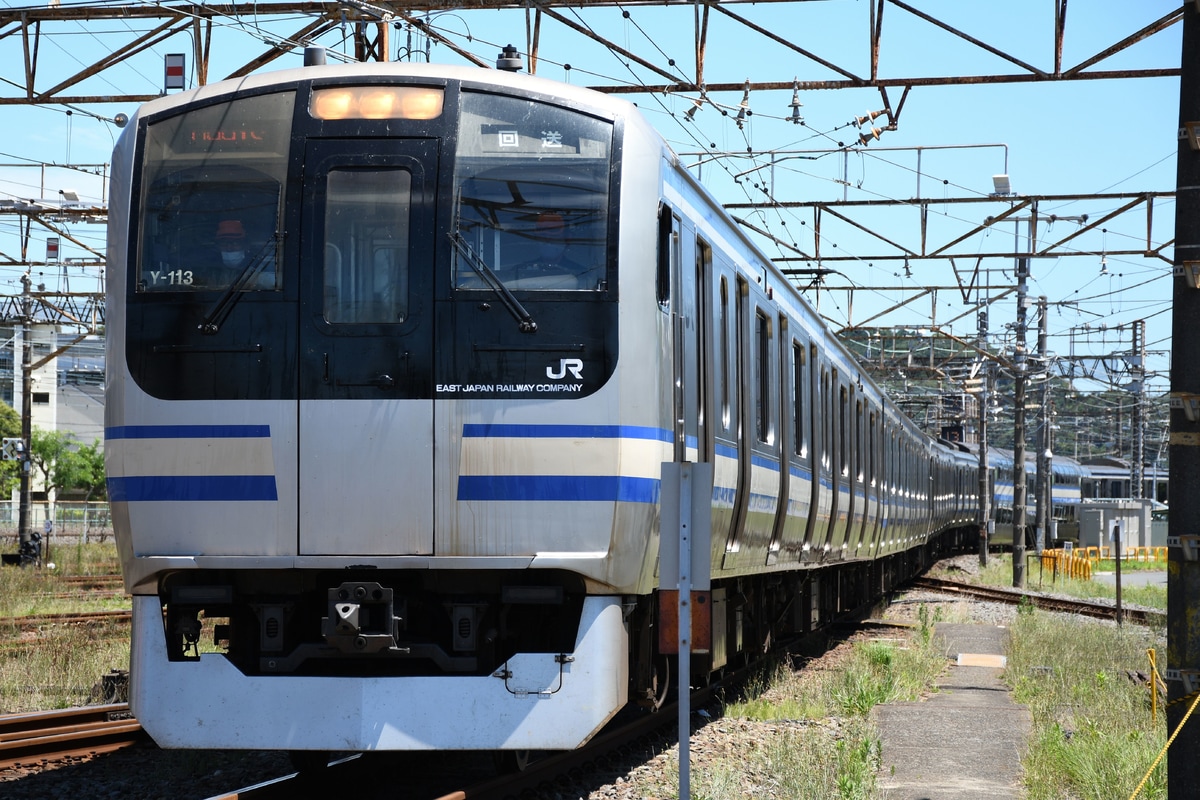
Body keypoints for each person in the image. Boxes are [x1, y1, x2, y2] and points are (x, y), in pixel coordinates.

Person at [212, 219, 276, 289]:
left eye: (235, 242)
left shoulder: (258, 269)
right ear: (217, 247)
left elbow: (272, 285)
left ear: (245, 245)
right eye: (224, 243)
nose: (229, 248)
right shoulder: (208, 269)